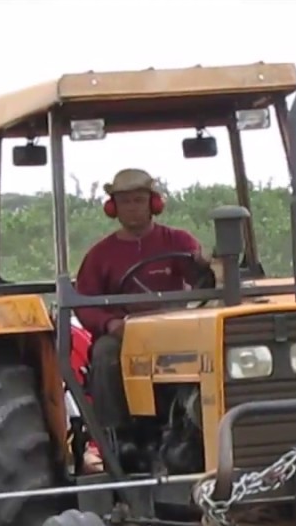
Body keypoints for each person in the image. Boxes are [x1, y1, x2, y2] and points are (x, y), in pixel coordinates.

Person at [74, 168, 210, 434]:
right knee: (104, 354)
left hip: (175, 328)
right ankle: (116, 435)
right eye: (125, 202)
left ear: (153, 204)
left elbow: (204, 284)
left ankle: (202, 423)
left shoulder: (178, 241)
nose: (132, 208)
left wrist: (204, 267)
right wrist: (110, 323)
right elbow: (84, 302)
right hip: (126, 333)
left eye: (138, 200)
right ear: (113, 208)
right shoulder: (100, 255)